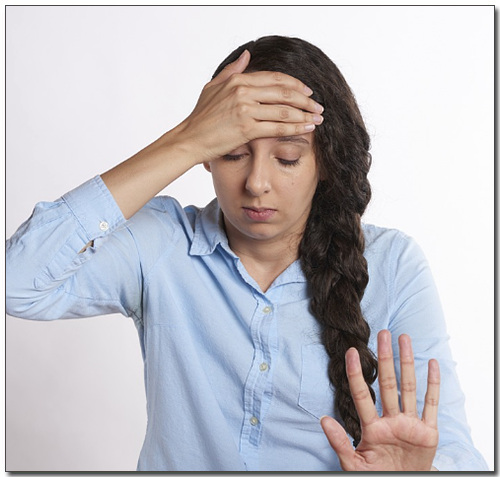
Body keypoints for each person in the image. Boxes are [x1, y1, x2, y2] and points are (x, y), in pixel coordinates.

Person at [6, 35, 488, 471]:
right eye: (232, 153)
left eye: (287, 158)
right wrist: (186, 138)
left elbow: (456, 453)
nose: (256, 183)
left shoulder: (393, 265)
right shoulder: (161, 243)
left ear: (325, 162)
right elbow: (16, 283)